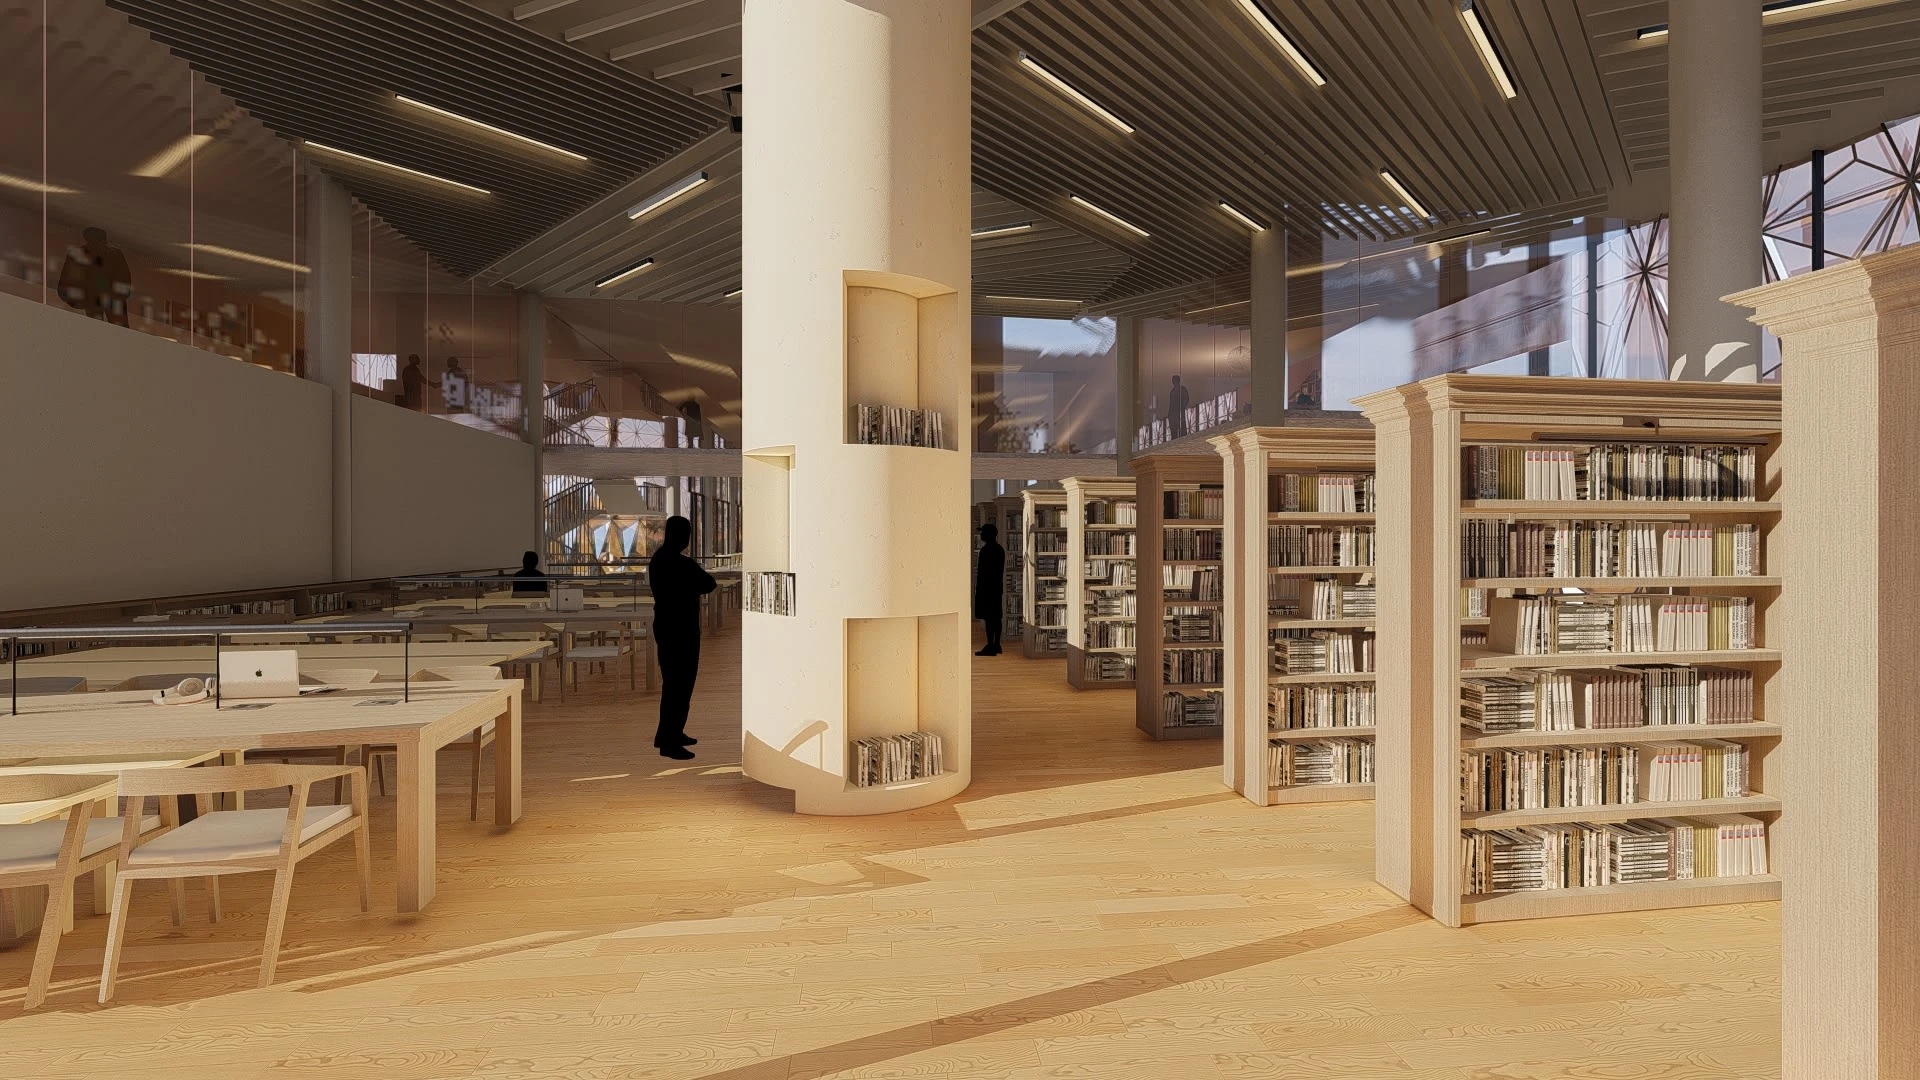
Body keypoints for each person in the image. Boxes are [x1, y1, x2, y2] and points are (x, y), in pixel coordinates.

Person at [648, 516, 714, 759]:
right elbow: (709, 583)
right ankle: (669, 741)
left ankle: (671, 733)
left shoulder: (657, 560)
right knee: (680, 685)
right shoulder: (683, 564)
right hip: (683, 630)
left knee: (673, 684)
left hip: (665, 625)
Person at [57, 227, 133, 326]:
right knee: (113, 326)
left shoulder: (79, 254)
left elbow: (124, 277)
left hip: (100, 297)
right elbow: (124, 277)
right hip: (101, 297)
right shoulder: (114, 254)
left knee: (102, 325)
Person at [974, 522, 1005, 656]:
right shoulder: (1000, 549)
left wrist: (979, 589)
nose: (981, 535)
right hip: (996, 588)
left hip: (987, 589)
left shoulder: (986, 551)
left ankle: (990, 645)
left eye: (983, 533)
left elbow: (983, 573)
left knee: (989, 618)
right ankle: (996, 644)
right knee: (996, 617)